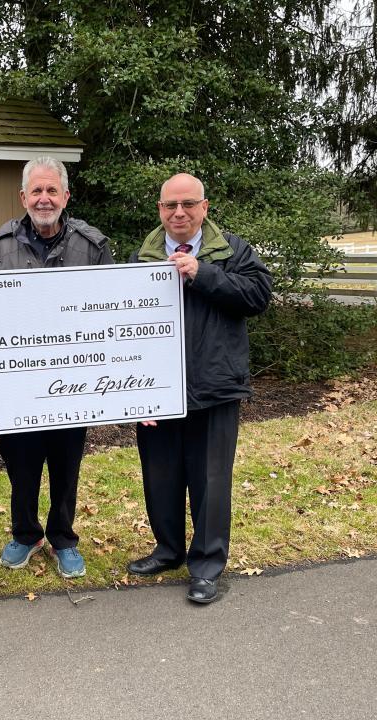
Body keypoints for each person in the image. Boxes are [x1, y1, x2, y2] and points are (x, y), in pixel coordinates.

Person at [127, 173, 271, 603]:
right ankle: (168, 551)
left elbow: (258, 296)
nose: (179, 212)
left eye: (188, 204)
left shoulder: (231, 250)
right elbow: (122, 331)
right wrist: (133, 393)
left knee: (210, 480)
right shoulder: (140, 258)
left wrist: (203, 274)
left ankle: (207, 566)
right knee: (161, 476)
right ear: (160, 210)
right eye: (170, 205)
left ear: (204, 208)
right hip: (156, 390)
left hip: (215, 386)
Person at [0, 156, 114, 578]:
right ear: (23, 197)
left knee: (65, 464)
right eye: (36, 191)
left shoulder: (93, 247)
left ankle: (62, 537)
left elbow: (111, 314)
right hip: (17, 387)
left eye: (51, 190)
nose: (43, 198)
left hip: (72, 383)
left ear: (66, 196)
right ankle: (24, 533)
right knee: (21, 466)